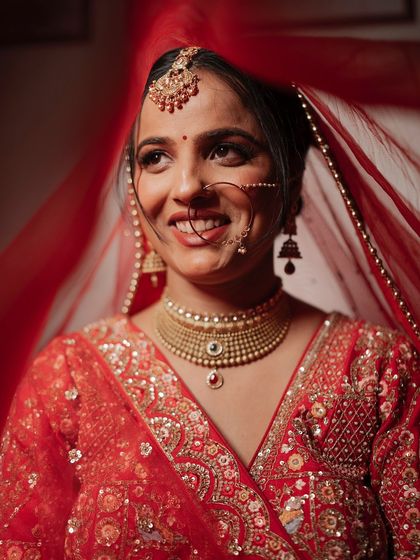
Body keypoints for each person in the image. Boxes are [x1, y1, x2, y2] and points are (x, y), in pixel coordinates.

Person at [0, 46, 418, 560]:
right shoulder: (66, 381)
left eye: (226, 150)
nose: (186, 188)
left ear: (291, 184)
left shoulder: (380, 373)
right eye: (155, 157)